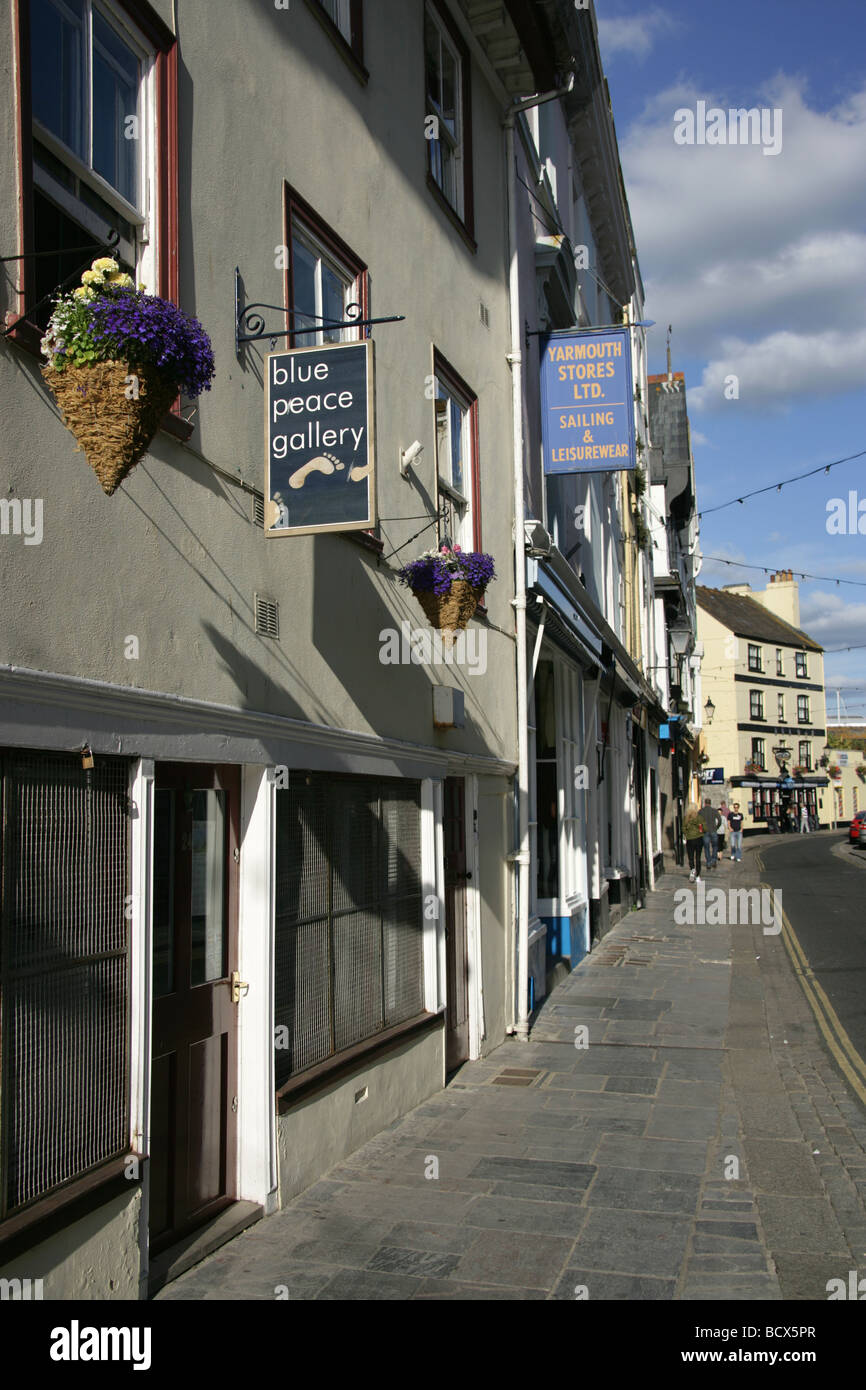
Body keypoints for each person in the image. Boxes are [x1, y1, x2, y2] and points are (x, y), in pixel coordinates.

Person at [683, 802, 704, 881]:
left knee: (691, 857)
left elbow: (683, 828)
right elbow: (703, 828)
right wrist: (701, 832)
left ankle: (692, 870)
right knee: (698, 857)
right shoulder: (699, 817)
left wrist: (687, 834)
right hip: (699, 839)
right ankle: (698, 876)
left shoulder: (686, 818)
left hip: (690, 840)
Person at [702, 798, 721, 869]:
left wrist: (701, 829)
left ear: (705, 803)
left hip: (705, 831)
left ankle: (708, 862)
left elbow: (698, 821)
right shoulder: (714, 810)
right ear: (710, 803)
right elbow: (719, 820)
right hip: (713, 830)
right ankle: (714, 860)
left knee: (706, 847)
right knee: (715, 846)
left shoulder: (701, 811)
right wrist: (717, 827)